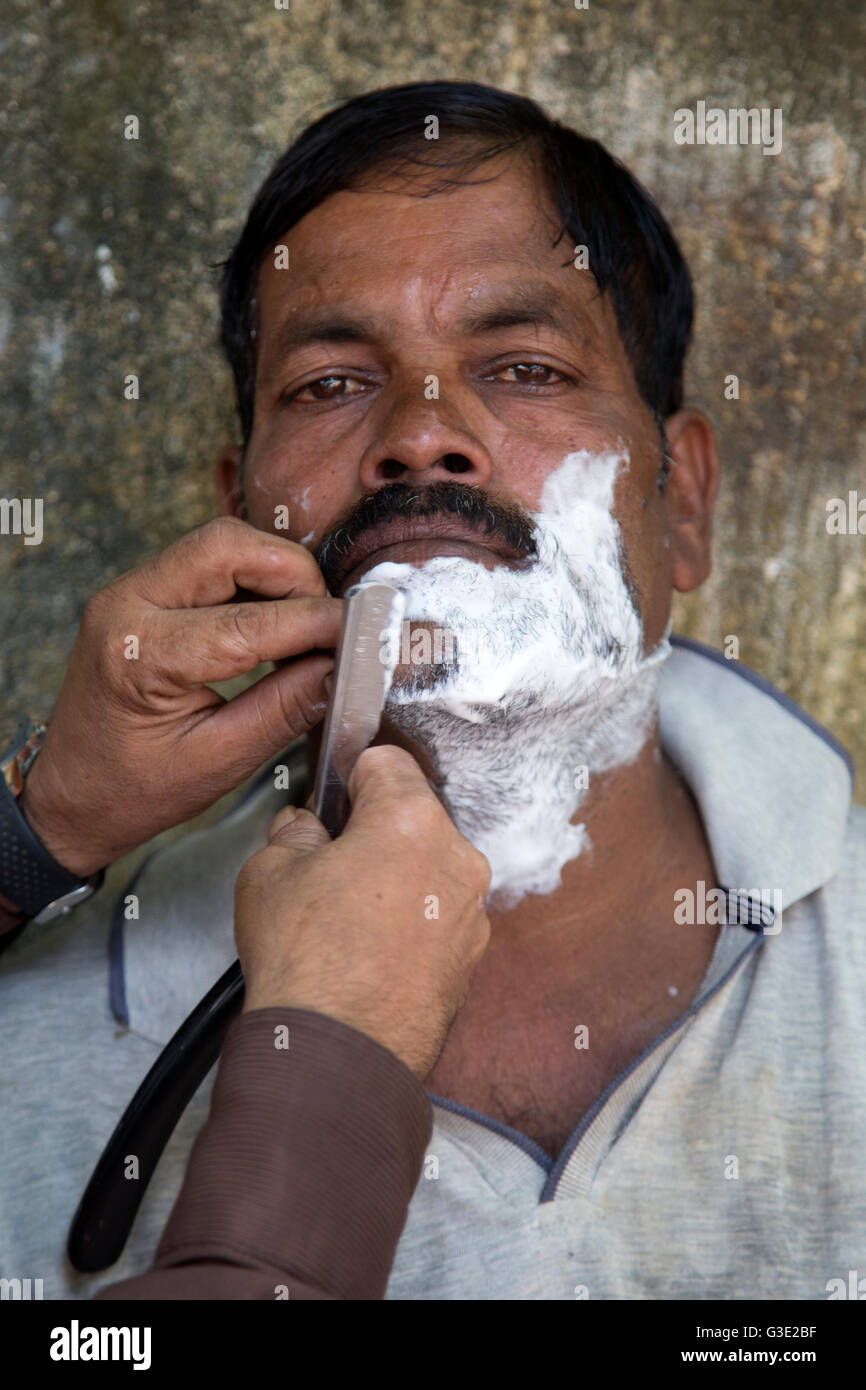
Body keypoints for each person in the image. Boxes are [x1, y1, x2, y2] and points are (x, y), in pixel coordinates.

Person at [1, 81, 863, 1302]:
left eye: (520, 365)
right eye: (332, 385)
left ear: (680, 502)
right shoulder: (32, 1030)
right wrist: (34, 834)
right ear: (243, 503)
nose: (421, 434)